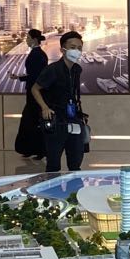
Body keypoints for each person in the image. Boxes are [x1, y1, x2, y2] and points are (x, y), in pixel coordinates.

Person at [32, 30, 88, 172]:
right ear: (63, 49)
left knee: (75, 161)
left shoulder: (77, 70)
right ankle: (52, 185)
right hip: (56, 119)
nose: (77, 51)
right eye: (72, 47)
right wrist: (44, 107)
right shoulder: (53, 69)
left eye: (79, 48)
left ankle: (74, 185)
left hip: (73, 118)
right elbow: (35, 89)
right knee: (53, 164)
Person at [13, 28, 48, 160]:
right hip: (34, 92)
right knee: (31, 120)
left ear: (34, 40)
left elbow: (35, 76)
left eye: (28, 38)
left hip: (36, 93)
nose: (26, 40)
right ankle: (33, 149)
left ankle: (38, 150)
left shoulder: (37, 55)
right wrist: (20, 77)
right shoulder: (37, 54)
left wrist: (20, 78)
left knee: (33, 120)